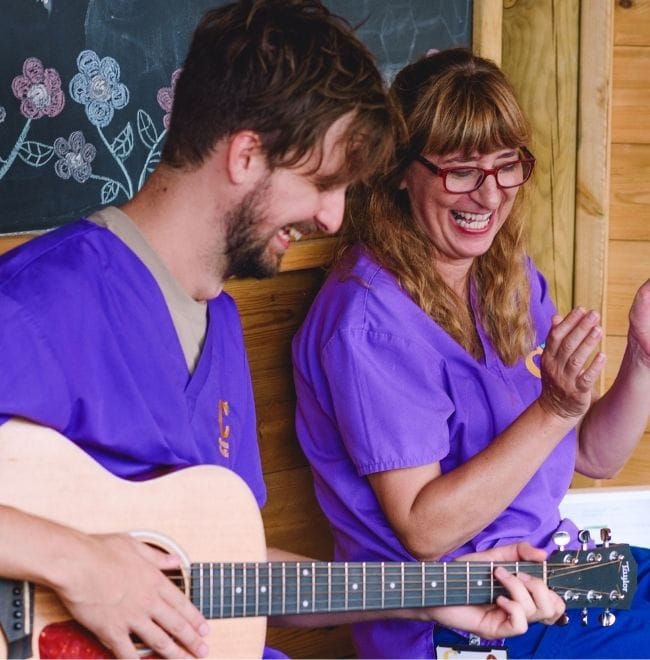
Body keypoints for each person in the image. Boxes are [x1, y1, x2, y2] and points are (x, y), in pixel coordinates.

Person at [0, 7, 564, 660]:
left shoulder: (219, 326)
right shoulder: (43, 299)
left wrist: (425, 594)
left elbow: (228, 574)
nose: (332, 218)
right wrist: (83, 566)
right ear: (246, 155)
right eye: (324, 184)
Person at [292, 47, 650, 659]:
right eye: (461, 170)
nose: (488, 196)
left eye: (506, 166)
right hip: (457, 619)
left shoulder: (503, 277)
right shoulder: (369, 321)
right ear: (401, 169)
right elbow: (425, 530)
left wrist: (642, 357)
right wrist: (554, 410)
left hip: (550, 575)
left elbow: (594, 454)